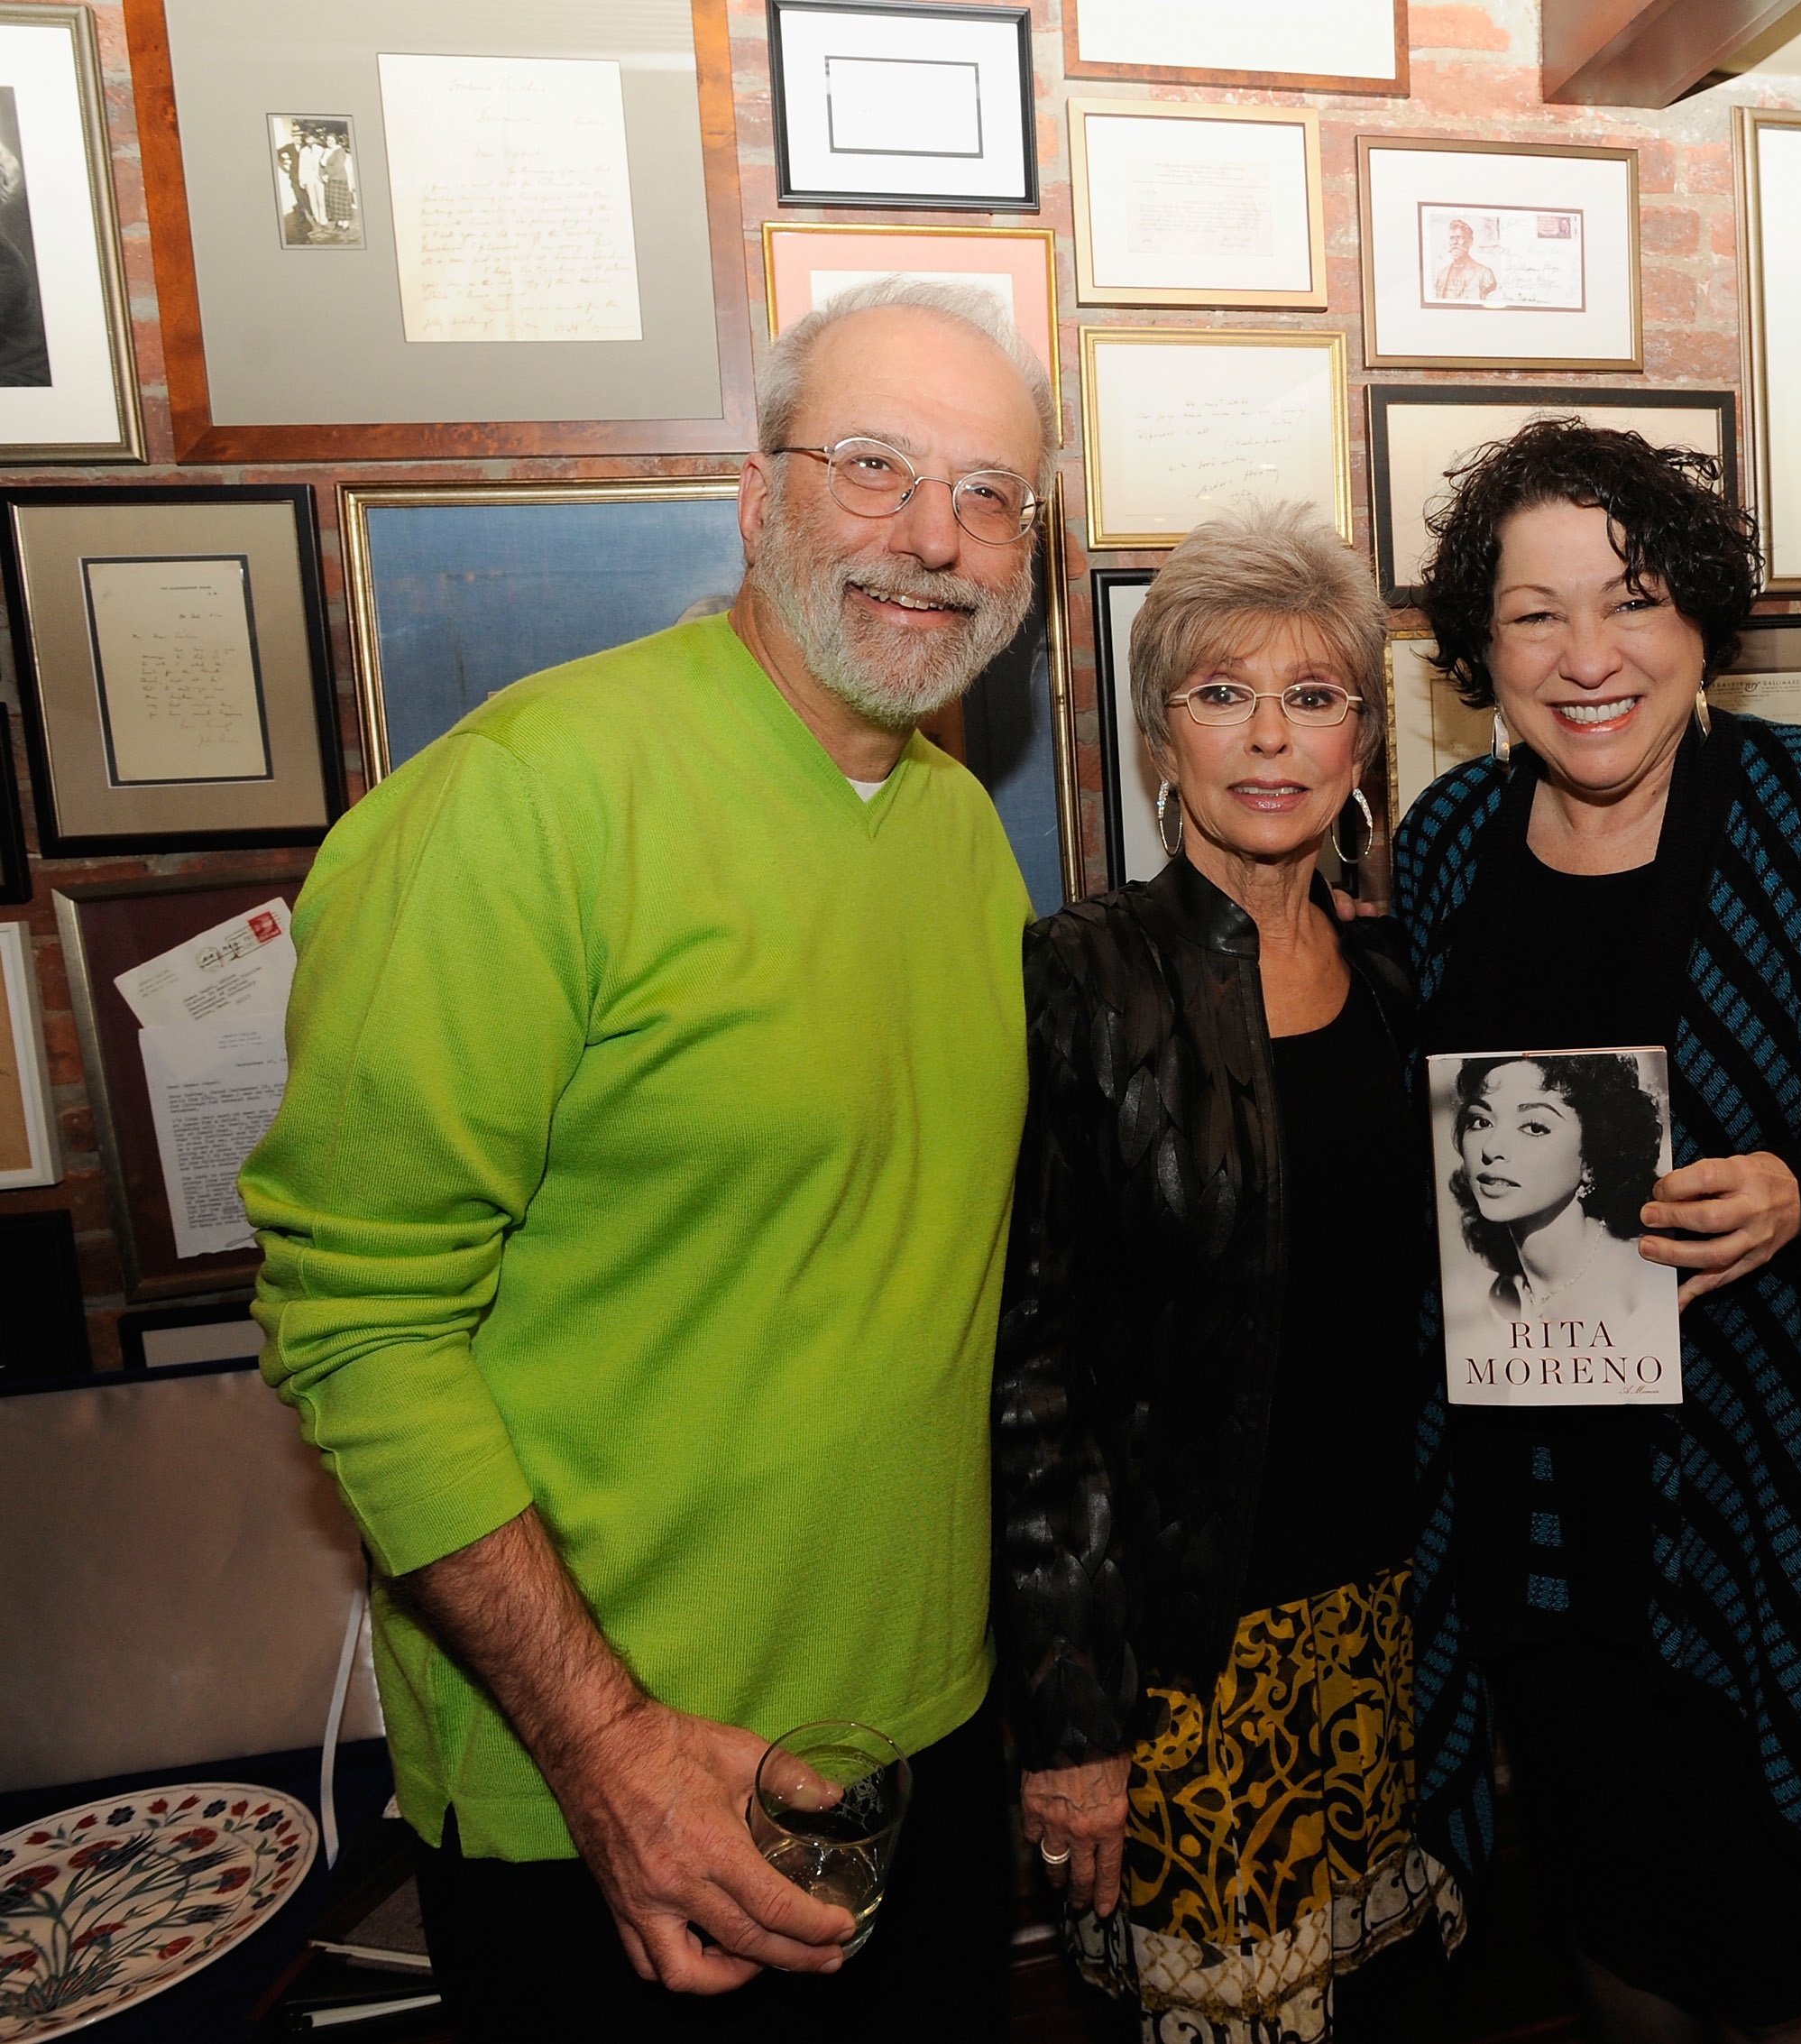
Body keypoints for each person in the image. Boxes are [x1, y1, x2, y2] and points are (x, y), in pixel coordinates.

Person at [239, 275, 1058, 2039]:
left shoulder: (958, 840)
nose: (936, 536)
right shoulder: (523, 807)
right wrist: (609, 1748)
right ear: (755, 499)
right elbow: (356, 1322)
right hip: (619, 1800)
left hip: (924, 1743)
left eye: (992, 493)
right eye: (874, 467)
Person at [1397, 418, 1801, 2043]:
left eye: (1632, 599)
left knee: (1776, 1951)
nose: (1589, 655)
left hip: (1778, 1508)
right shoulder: (1448, 848)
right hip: (1539, 1526)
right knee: (1612, 1923)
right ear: (1482, 648)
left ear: (1702, 617)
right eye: (1535, 615)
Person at [994, 502, 1466, 2044]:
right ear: (1160, 739)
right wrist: (1072, 1717)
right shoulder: (1079, 977)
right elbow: (1031, 1374)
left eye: (1315, 696)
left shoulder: (1396, 974)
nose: (1270, 738)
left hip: (1387, 1626)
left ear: (1360, 743)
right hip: (1186, 1663)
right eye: (1220, 694)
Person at [1443, 1053, 1671, 1329]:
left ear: (1592, 1154)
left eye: (1534, 1127)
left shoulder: (1647, 1285)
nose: (1490, 1149)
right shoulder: (1487, 1301)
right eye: (1481, 1121)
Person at [1434, 215, 1500, 303]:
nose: (1454, 242)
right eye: (1452, 238)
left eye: (1459, 237)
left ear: (1470, 242)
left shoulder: (1485, 274)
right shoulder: (1441, 275)